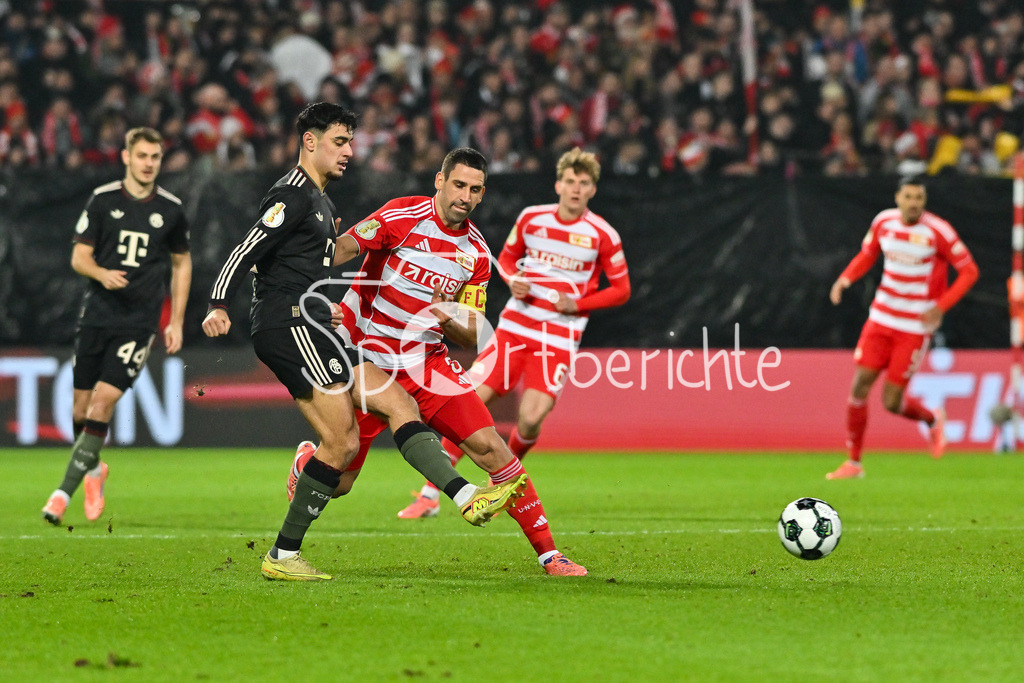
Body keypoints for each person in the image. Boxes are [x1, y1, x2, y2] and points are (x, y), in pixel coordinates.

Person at [202, 104, 526, 581]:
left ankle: (462, 496)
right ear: (310, 141)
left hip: (305, 321)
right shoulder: (292, 195)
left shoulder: (321, 202)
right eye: (340, 141)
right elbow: (246, 250)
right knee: (340, 444)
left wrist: (319, 305)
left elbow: (295, 269)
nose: (349, 151)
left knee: (395, 410)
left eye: (351, 142)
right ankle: (283, 555)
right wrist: (216, 304)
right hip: (288, 328)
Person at [287, 147, 588, 576]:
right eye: (459, 184)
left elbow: (472, 332)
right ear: (440, 182)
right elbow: (346, 248)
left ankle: (549, 554)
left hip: (427, 364)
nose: (465, 196)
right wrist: (309, 259)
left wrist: (449, 315)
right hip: (366, 359)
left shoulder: (477, 256)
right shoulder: (400, 216)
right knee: (342, 483)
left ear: (483, 195)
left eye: (475, 189)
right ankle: (307, 462)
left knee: (494, 451)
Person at [399, 147, 630, 516]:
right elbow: (505, 259)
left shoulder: (602, 234)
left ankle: (503, 480)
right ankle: (429, 495)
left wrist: (579, 304)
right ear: (558, 184)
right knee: (470, 401)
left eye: (583, 183)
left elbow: (621, 289)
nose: (574, 188)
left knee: (531, 418)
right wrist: (513, 278)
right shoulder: (531, 219)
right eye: (570, 181)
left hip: (557, 338)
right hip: (515, 328)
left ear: (592, 191)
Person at [42, 127, 192, 526]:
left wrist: (174, 320)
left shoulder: (171, 209)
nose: (148, 164)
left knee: (102, 402)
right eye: (142, 156)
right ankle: (94, 470)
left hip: (137, 323)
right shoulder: (103, 200)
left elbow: (182, 263)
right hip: (96, 315)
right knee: (80, 408)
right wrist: (101, 273)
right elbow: (78, 257)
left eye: (155, 157)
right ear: (126, 157)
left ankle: (61, 493)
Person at [826, 176, 979, 479]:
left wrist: (940, 306)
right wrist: (845, 278)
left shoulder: (938, 231)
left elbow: (969, 271)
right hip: (881, 318)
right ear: (897, 197)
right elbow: (868, 254)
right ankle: (854, 462)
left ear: (924, 201)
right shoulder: (884, 222)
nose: (913, 203)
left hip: (913, 326)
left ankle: (932, 419)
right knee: (859, 386)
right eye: (908, 197)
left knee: (891, 402)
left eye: (919, 198)